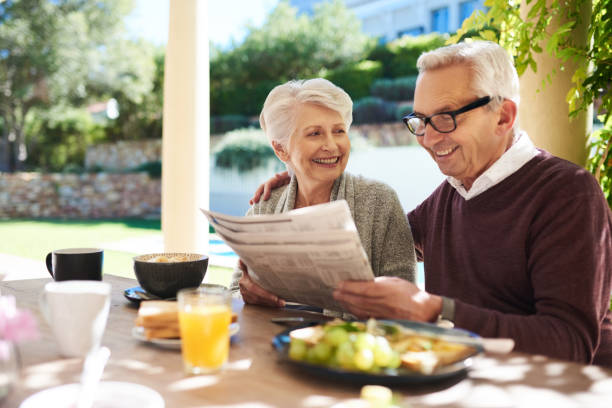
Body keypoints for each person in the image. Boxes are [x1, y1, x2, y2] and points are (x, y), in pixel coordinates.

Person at [251, 42, 612, 366]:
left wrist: (436, 310)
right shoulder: (454, 192)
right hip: (463, 384)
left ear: (503, 116)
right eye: (421, 121)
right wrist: (302, 181)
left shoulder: (568, 194)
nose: (429, 138)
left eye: (445, 118)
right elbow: (370, 237)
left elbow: (570, 344)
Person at [232, 78, 417, 309]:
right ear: (281, 149)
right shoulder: (265, 206)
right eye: (315, 134)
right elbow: (235, 290)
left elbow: (406, 299)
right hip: (272, 341)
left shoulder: (380, 201)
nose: (331, 145)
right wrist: (246, 294)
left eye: (339, 131)